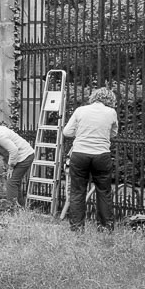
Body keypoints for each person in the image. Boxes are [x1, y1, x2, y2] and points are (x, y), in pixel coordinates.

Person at [62, 87, 119, 231]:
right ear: (110, 100)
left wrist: (82, 132)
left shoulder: (80, 110)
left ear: (93, 97)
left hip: (80, 153)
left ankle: (77, 227)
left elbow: (67, 132)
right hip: (101, 155)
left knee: (77, 191)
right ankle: (105, 227)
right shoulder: (111, 112)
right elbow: (113, 134)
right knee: (104, 191)